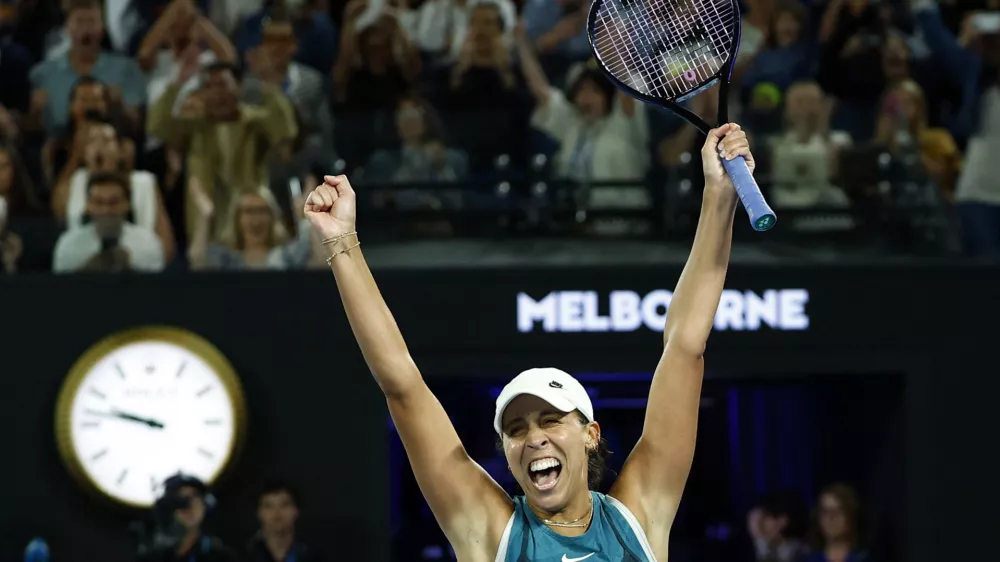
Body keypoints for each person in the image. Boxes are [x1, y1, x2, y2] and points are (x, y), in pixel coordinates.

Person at [302, 122, 754, 561]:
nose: (534, 438)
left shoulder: (638, 515)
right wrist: (342, 243)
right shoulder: (490, 531)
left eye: (551, 421)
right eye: (516, 429)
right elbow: (402, 384)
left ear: (590, 435)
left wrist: (718, 195)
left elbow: (685, 343)